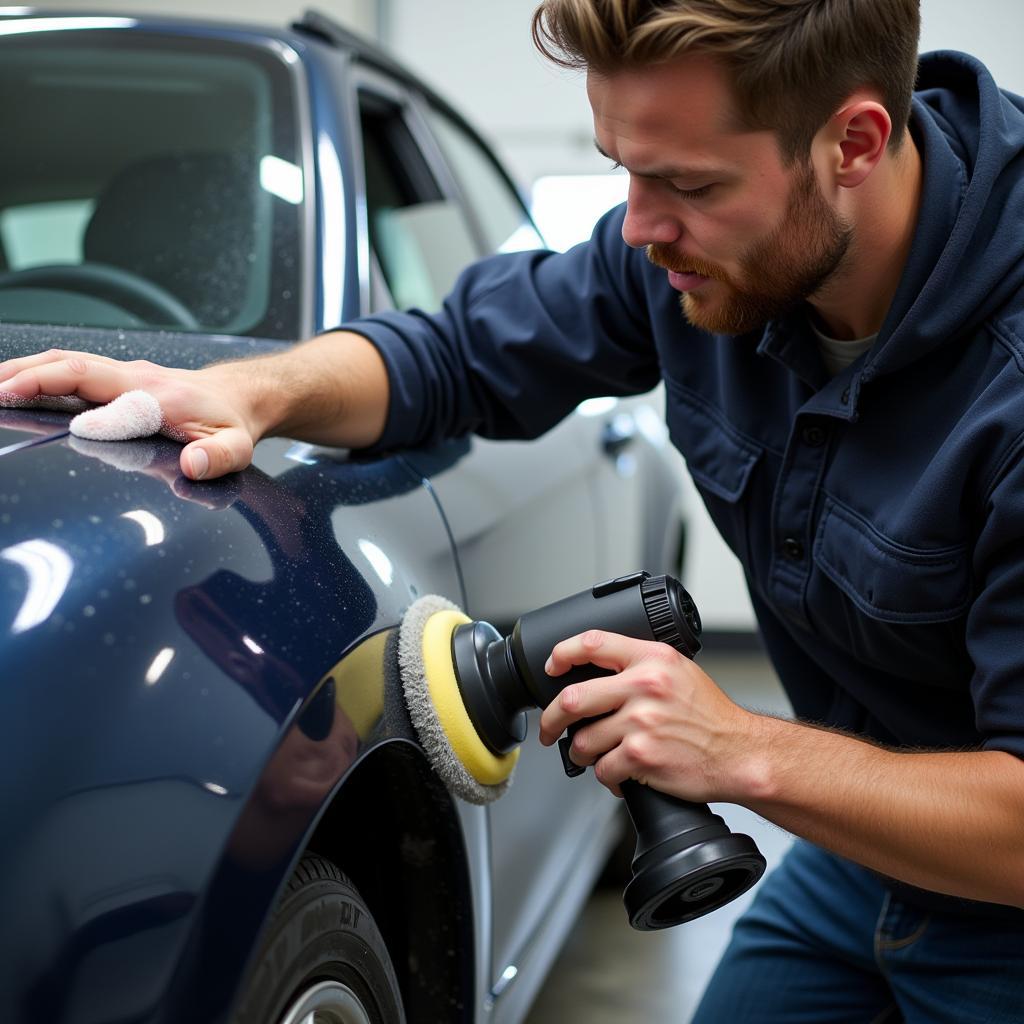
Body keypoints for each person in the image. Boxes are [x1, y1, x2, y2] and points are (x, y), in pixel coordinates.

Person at [3, 0, 1024, 1017]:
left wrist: (741, 750)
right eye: (622, 167)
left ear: (853, 142)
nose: (637, 226)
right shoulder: (696, 256)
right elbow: (456, 354)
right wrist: (258, 391)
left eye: (686, 183)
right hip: (862, 862)